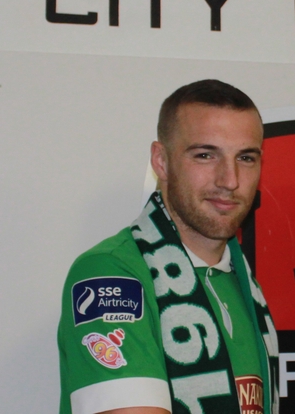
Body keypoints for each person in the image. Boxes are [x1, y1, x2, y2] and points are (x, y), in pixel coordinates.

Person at [58, 80, 279, 414]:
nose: (230, 180)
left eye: (246, 158)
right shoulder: (112, 274)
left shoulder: (240, 280)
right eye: (205, 155)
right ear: (161, 162)